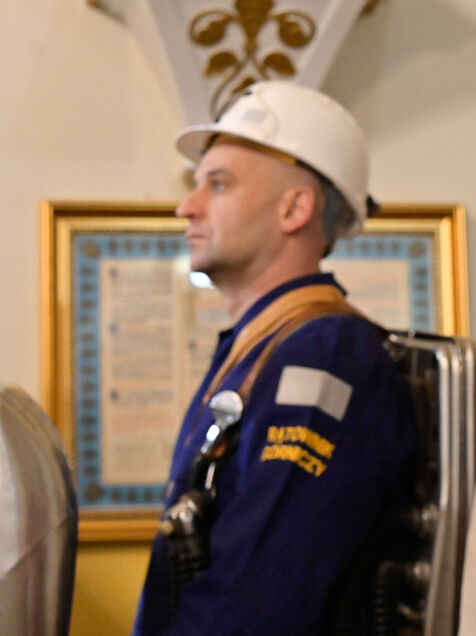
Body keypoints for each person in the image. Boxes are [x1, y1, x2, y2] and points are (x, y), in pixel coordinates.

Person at [132, 80, 417, 636]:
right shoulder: (264, 346)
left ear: (295, 208)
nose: (186, 207)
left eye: (218, 184)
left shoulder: (325, 354)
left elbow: (256, 605)